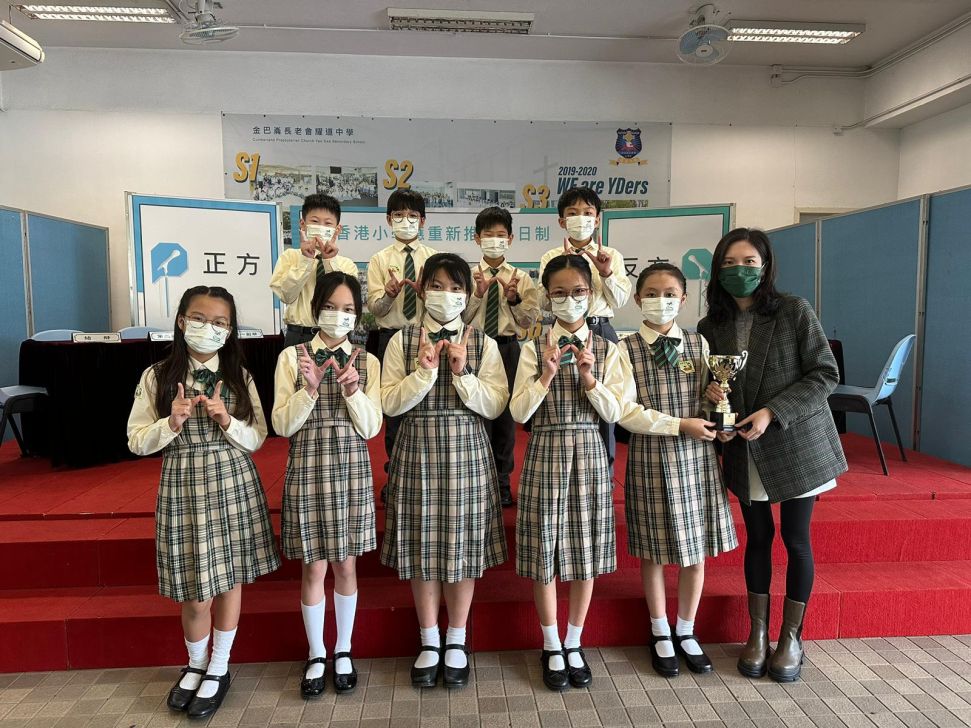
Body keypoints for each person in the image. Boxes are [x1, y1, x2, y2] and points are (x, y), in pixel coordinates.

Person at [697, 228, 847, 683]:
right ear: (717, 270)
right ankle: (758, 633)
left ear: (765, 267)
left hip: (797, 442)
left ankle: (792, 637)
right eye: (728, 263)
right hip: (746, 448)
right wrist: (714, 403)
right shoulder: (709, 327)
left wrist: (772, 412)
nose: (738, 270)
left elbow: (825, 374)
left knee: (796, 540)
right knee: (758, 538)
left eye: (748, 262)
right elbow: (716, 388)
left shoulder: (793, 310)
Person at [127, 286, 279, 719]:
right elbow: (136, 440)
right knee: (195, 592)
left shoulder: (238, 376)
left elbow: (258, 437)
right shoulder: (156, 376)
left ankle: (219, 665)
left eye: (219, 322)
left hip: (233, 480)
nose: (209, 328)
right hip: (183, 485)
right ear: (181, 321)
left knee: (229, 579)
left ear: (229, 331)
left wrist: (227, 419)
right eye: (199, 318)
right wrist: (170, 423)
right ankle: (195, 663)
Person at [379, 253, 508, 690]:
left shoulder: (484, 343)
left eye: (456, 288)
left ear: (468, 296)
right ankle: (429, 639)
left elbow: (496, 405)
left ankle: (456, 637)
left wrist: (463, 372)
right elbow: (389, 403)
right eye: (437, 286)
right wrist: (423, 373)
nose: (446, 295)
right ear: (421, 290)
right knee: (422, 545)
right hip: (416, 449)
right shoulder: (400, 341)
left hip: (467, 451)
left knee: (463, 545)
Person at [510, 254, 624, 692]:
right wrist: (545, 376)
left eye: (578, 292)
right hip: (545, 450)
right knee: (545, 550)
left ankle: (575, 640)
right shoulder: (531, 348)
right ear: (546, 297)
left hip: (590, 453)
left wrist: (590, 380)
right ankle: (551, 644)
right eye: (559, 293)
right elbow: (518, 412)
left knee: (585, 549)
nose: (570, 299)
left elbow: (616, 413)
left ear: (591, 295)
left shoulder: (609, 349)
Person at [618, 263, 737, 678]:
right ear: (637, 299)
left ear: (684, 300)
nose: (661, 301)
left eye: (670, 294)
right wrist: (678, 424)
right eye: (652, 293)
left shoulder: (698, 343)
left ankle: (686, 629)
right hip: (651, 456)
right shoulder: (625, 348)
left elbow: (706, 399)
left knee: (696, 548)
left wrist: (716, 404)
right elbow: (625, 412)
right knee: (653, 551)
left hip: (697, 458)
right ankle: (660, 631)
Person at [272, 272, 382, 698]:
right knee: (313, 566)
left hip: (351, 469)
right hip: (307, 466)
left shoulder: (367, 361)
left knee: (346, 565)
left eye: (349, 309)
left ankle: (343, 649)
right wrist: (310, 390)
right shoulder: (292, 358)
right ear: (316, 308)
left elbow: (371, 429)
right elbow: (282, 425)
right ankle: (316, 652)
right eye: (332, 307)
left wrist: (353, 392)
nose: (340, 316)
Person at [538, 186, 631, 469]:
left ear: (597, 219)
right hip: (563, 332)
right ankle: (563, 466)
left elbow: (621, 300)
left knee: (605, 404)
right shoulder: (551, 256)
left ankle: (605, 471)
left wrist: (606, 273)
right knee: (565, 399)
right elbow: (543, 302)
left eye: (588, 213)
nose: (581, 218)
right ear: (562, 221)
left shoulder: (611, 255)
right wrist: (563, 269)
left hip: (600, 330)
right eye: (573, 213)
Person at [463, 206, 541, 507]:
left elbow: (528, 321)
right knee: (476, 410)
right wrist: (478, 295)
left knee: (506, 417)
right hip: (475, 347)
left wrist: (514, 299)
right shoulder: (467, 276)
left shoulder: (521, 278)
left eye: (500, 235)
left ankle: (502, 480)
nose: (494, 240)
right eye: (488, 235)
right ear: (477, 238)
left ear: (510, 239)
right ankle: (477, 477)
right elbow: (462, 317)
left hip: (508, 347)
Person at [365, 189, 438, 495]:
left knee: (427, 406)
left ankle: (429, 474)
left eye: (412, 215)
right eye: (399, 215)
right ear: (388, 220)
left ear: (422, 221)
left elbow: (444, 308)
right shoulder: (379, 260)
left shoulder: (434, 258)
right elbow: (375, 309)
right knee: (394, 409)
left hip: (427, 338)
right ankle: (395, 475)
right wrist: (389, 295)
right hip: (390, 337)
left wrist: (425, 296)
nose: (405, 220)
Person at [271, 193, 359, 347]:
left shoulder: (347, 265)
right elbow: (286, 296)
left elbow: (348, 303)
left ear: (337, 229)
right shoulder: (289, 257)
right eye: (315, 221)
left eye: (328, 223)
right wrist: (305, 260)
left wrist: (329, 261)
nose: (321, 227)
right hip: (299, 335)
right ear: (303, 224)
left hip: (336, 337)